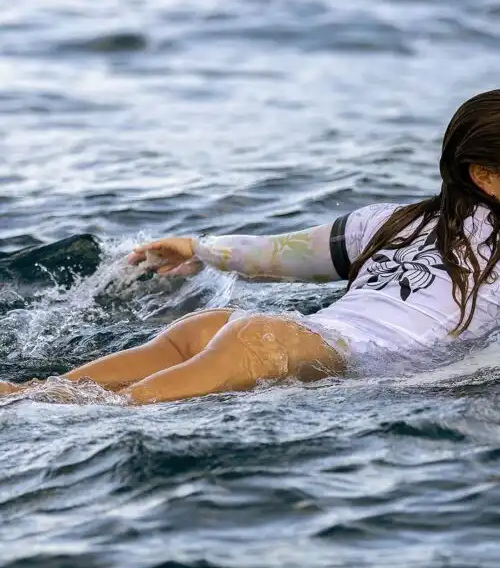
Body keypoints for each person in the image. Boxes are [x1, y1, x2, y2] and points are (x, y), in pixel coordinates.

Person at [3, 89, 500, 404]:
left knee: (43, 395)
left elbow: (276, 254)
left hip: (268, 334)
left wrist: (196, 247)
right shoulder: (392, 222)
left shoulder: (388, 221)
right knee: (108, 414)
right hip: (310, 349)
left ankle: (22, 395)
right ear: (485, 176)